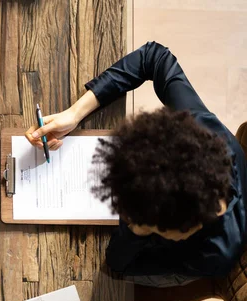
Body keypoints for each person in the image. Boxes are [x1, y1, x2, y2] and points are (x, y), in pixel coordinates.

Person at [26, 41, 247, 287]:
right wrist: (75, 113)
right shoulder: (200, 127)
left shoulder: (213, 256)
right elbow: (154, 56)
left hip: (185, 263)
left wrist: (135, 231)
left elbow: (118, 265)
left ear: (185, 232)